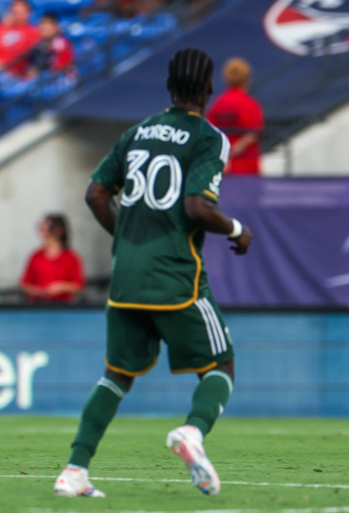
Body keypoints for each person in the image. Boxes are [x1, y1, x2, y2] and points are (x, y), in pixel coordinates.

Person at [53, 48, 253, 498]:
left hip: (126, 276)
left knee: (117, 375)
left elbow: (95, 195)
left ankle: (74, 471)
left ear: (168, 87)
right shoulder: (209, 137)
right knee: (221, 365)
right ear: (208, 89)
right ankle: (193, 433)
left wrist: (124, 239)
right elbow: (198, 206)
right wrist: (238, 230)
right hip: (176, 277)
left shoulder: (136, 132)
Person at [206, 58, 264, 174]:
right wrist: (233, 151)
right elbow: (253, 134)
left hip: (222, 167)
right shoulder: (250, 105)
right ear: (247, 79)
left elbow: (209, 131)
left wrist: (225, 155)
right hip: (247, 167)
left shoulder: (218, 104)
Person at [20, 214, 84, 303]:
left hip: (62, 306)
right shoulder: (35, 256)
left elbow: (79, 286)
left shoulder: (70, 257)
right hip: (38, 305)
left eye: (45, 230)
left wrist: (60, 287)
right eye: (41, 229)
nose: (42, 234)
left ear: (58, 231)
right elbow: (24, 284)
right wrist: (38, 291)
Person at [0, 0, 39, 75]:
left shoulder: (34, 32)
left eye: (20, 12)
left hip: (16, 72)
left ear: (29, 13)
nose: (17, 15)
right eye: (15, 12)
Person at [27, 12, 74, 77]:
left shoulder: (61, 44)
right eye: (42, 24)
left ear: (56, 27)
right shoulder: (40, 44)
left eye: (47, 25)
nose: (43, 28)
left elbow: (59, 67)